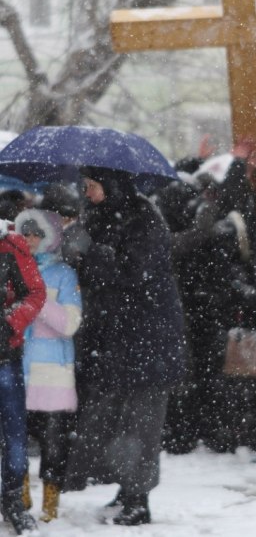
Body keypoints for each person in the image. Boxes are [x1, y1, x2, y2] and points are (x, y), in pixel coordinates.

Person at [64, 166, 186, 526]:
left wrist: (92, 253)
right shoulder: (100, 216)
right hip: (117, 336)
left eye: (92, 185)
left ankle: (139, 499)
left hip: (147, 337)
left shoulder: (143, 219)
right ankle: (126, 489)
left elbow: (132, 272)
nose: (87, 192)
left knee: (141, 421)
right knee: (116, 420)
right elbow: (97, 272)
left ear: (112, 185)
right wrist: (78, 251)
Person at [14, 208, 82, 522]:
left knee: (53, 446)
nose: (30, 240)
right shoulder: (10, 269)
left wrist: (37, 298)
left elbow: (69, 323)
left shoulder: (64, 275)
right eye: (24, 233)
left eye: (36, 234)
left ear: (49, 238)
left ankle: (51, 504)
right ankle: (20, 494)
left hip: (53, 377)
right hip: (18, 374)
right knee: (15, 442)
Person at [0, 218, 46, 534]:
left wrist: (10, 323)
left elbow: (35, 293)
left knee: (15, 436)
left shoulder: (10, 246)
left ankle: (12, 499)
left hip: (5, 356)